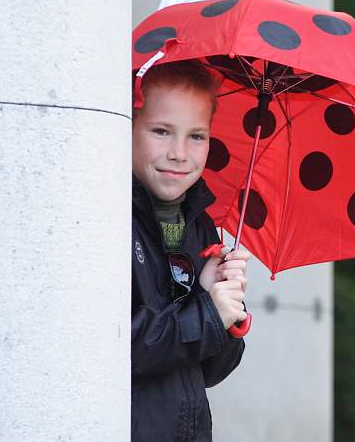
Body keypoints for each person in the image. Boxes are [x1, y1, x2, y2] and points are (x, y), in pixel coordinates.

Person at [131, 58, 250, 442]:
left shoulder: (198, 224)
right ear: (128, 126)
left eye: (197, 136)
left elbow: (209, 373)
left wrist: (225, 312)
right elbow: (118, 345)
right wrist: (207, 315)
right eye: (162, 131)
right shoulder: (107, 219)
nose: (180, 153)